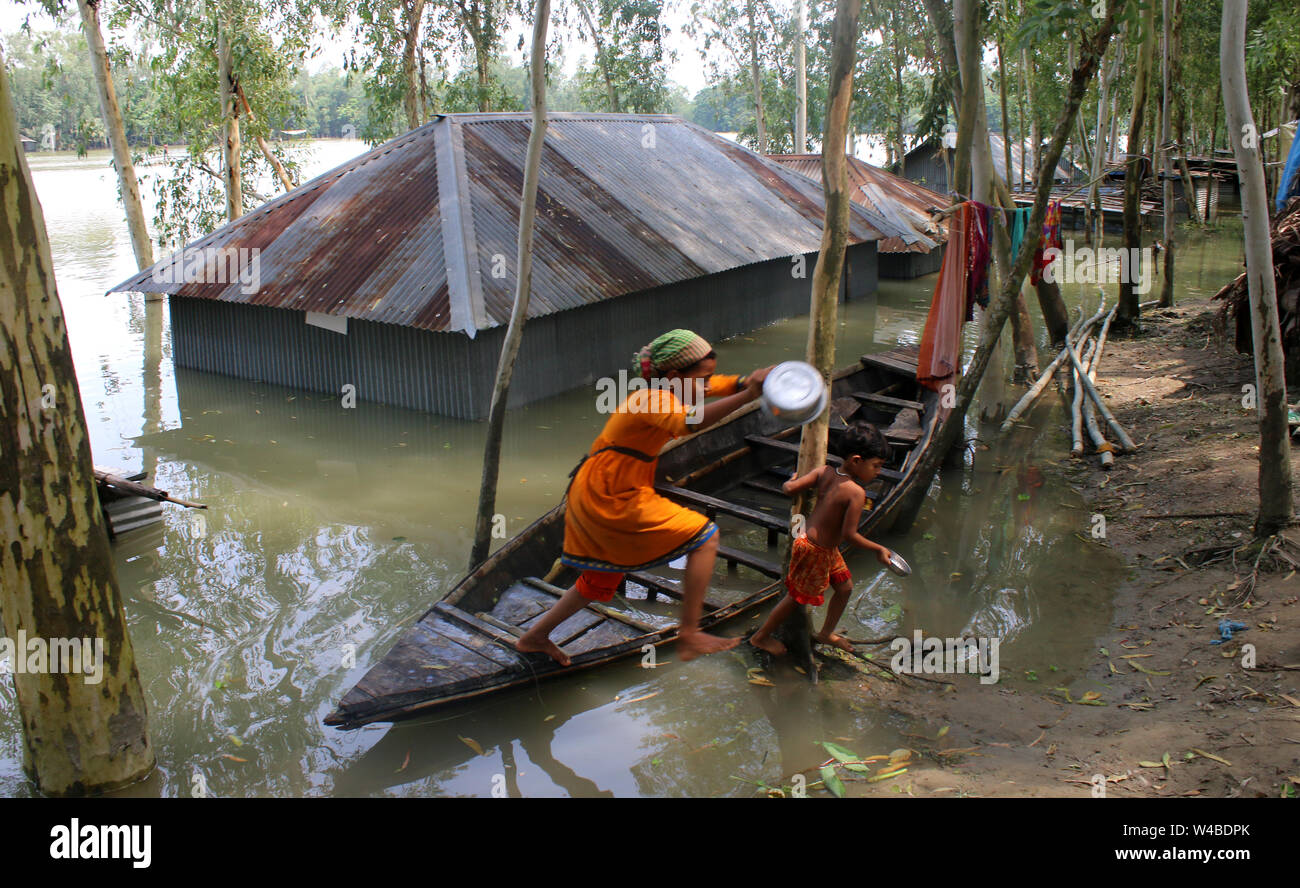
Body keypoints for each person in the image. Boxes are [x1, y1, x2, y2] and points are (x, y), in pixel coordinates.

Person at [515, 330, 773, 666]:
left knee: (598, 580)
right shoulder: (650, 400)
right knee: (706, 535)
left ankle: (534, 637)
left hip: (608, 488)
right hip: (609, 494)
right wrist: (749, 395)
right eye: (703, 377)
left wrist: (745, 382)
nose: (708, 385)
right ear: (676, 377)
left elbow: (716, 386)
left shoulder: (674, 387)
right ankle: (690, 633)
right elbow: (689, 423)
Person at [749, 422, 895, 656]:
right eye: (876, 466)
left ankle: (826, 633)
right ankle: (760, 637)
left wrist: (792, 478)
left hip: (819, 546)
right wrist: (878, 549)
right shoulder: (856, 493)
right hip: (815, 550)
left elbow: (789, 489)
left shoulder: (824, 472)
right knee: (795, 599)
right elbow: (850, 535)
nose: (878, 472)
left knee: (845, 588)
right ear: (856, 460)